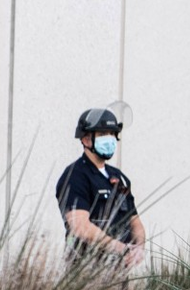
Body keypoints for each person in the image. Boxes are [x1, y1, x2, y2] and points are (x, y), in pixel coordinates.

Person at [55, 103, 145, 267]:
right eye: (103, 133)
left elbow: (135, 222)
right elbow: (80, 226)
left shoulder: (118, 177)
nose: (109, 138)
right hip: (86, 272)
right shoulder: (75, 176)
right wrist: (119, 247)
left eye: (112, 133)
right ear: (86, 139)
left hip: (119, 272)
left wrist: (138, 248)